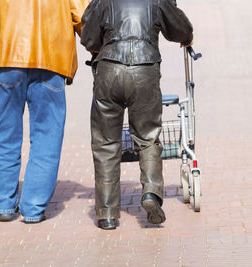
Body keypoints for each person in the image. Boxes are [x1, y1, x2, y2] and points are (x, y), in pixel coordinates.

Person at [81, 0, 193, 230]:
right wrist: (187, 38)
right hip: (145, 69)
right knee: (148, 138)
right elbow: (180, 28)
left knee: (106, 143)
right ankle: (151, 193)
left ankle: (107, 214)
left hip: (109, 69)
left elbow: (88, 38)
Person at [0, 0, 88, 223]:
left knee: (6, 134)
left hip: (6, 58)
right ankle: (34, 207)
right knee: (47, 136)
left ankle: (4, 205)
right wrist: (98, 46)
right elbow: (82, 16)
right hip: (50, 60)